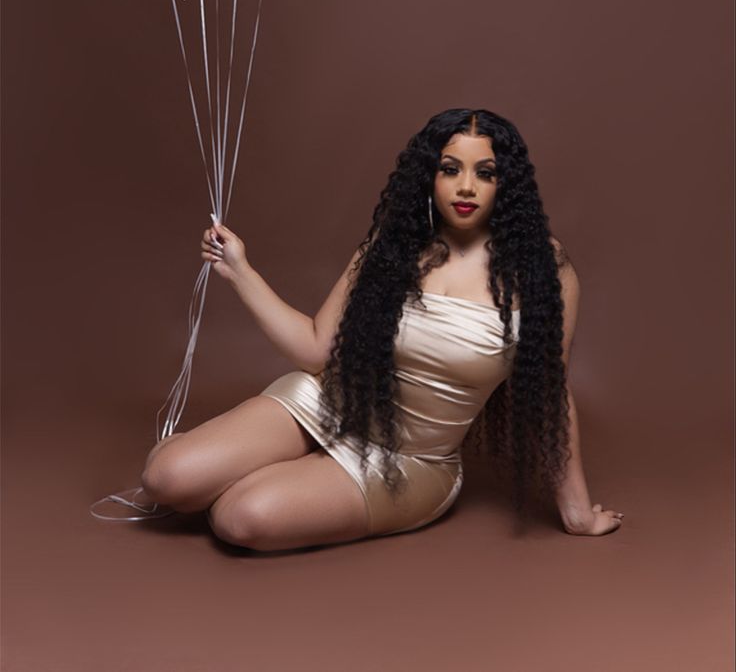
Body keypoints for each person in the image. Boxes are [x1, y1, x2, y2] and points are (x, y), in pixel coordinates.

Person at [139, 108, 624, 550]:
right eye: (450, 169)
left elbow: (549, 395)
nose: (466, 187)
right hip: (327, 404)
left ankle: (283, 478)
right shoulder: (392, 245)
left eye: (486, 173)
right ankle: (239, 464)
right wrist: (239, 270)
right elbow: (314, 349)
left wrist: (577, 512)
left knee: (239, 518)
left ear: (507, 183)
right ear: (429, 175)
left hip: (411, 463)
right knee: (165, 479)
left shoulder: (543, 269)